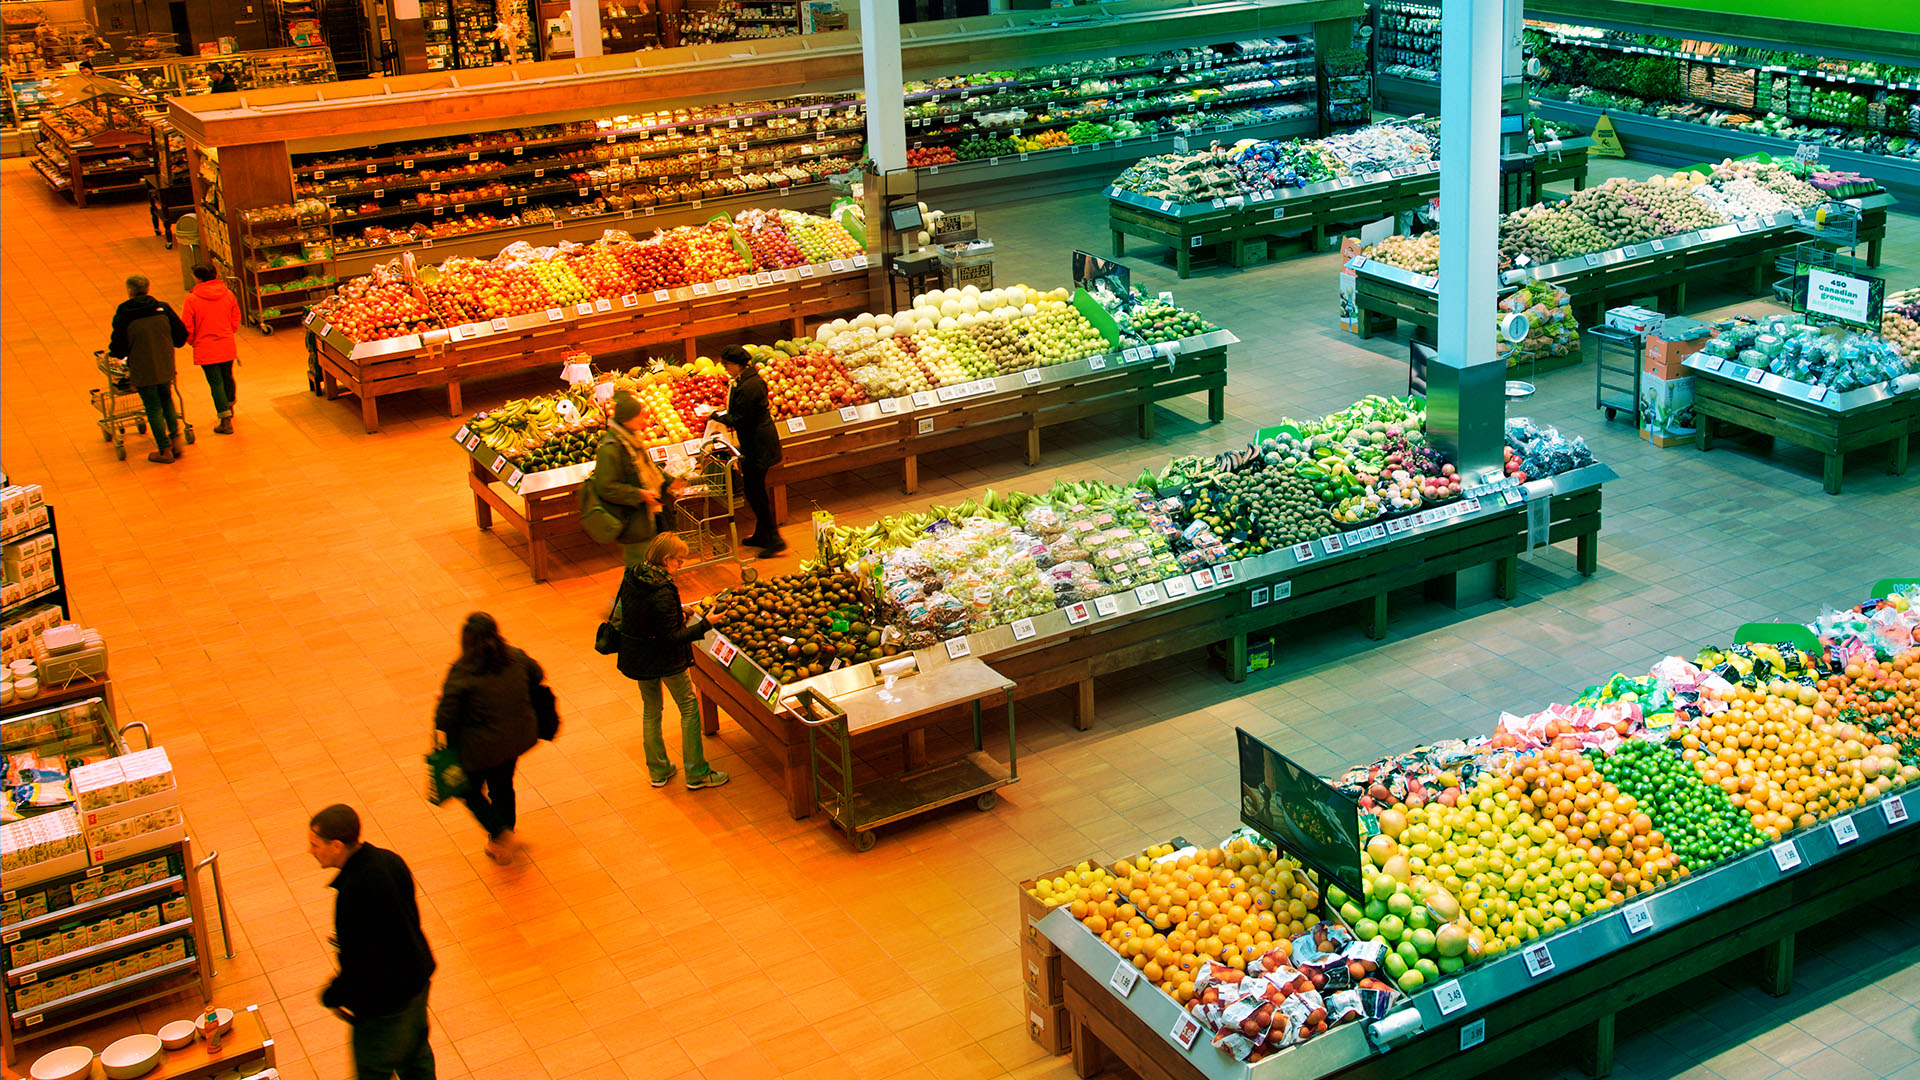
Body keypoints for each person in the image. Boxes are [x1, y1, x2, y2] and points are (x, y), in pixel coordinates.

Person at [308, 804, 437, 1080]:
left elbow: (361, 962)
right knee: (416, 1057)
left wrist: (334, 995)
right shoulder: (389, 860)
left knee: (373, 1070)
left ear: (337, 846)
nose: (310, 851)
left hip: (385, 1003)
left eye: (315, 845)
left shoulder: (353, 891)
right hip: (417, 976)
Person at [616, 533, 728, 790]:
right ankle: (697, 773)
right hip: (664, 660)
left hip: (638, 656)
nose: (681, 566)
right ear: (666, 560)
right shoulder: (663, 591)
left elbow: (641, 614)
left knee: (651, 710)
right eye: (679, 561)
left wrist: (680, 612)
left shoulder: (634, 574)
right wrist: (704, 624)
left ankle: (658, 770)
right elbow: (671, 638)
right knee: (689, 708)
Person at [433, 613, 545, 864]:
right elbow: (537, 674)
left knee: (467, 790)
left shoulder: (462, 672)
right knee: (503, 785)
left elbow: (444, 719)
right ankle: (503, 839)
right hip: (517, 737)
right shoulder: (515, 657)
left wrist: (441, 698)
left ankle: (501, 834)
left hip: (480, 749)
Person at [707, 345, 784, 555]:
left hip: (759, 446)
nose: (725, 369)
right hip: (757, 443)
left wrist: (715, 417)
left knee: (756, 492)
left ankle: (774, 539)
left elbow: (740, 418)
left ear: (737, 364)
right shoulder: (746, 380)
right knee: (755, 491)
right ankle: (762, 534)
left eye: (726, 365)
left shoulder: (750, 386)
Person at [107, 274, 188, 464]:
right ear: (148, 289)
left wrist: (118, 356)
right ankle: (175, 439)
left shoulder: (124, 313)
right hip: (165, 364)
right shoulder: (163, 308)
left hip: (142, 368)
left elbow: (118, 346)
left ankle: (164, 450)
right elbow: (181, 335)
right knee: (167, 399)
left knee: (152, 407)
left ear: (129, 291)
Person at [583, 390, 669, 566]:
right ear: (626, 419)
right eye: (638, 416)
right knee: (637, 564)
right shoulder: (611, 448)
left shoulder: (632, 440)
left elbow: (647, 468)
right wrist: (640, 494)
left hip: (644, 517)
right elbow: (606, 486)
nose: (643, 420)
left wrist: (669, 481)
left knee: (645, 564)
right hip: (631, 519)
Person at [182, 264, 241, 434]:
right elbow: (235, 315)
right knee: (228, 376)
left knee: (215, 382)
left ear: (199, 278)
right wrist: (229, 331)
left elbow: (187, 324)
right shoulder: (228, 294)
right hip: (226, 342)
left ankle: (225, 420)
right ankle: (230, 407)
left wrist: (192, 341)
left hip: (205, 346)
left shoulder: (192, 299)